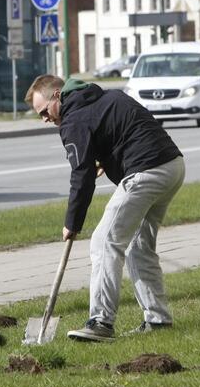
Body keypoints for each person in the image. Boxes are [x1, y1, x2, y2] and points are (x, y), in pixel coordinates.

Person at [24, 75, 185, 343]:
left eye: (44, 112)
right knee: (138, 246)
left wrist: (72, 222)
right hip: (172, 166)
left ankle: (100, 322)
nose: (45, 119)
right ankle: (158, 321)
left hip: (145, 172)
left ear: (57, 96)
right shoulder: (101, 96)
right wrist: (107, 159)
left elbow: (81, 175)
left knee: (104, 242)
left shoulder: (73, 120)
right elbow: (119, 132)